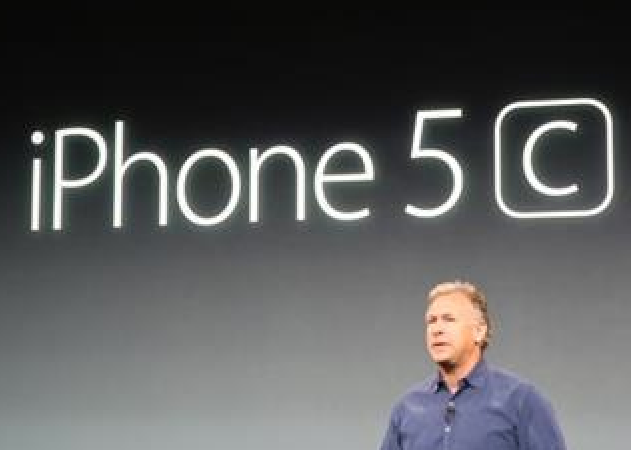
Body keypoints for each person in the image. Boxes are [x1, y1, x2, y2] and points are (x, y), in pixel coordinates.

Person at [379, 280, 567, 450]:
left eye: (449, 319)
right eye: (431, 321)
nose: (437, 329)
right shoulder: (408, 407)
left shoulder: (520, 400)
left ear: (479, 331)